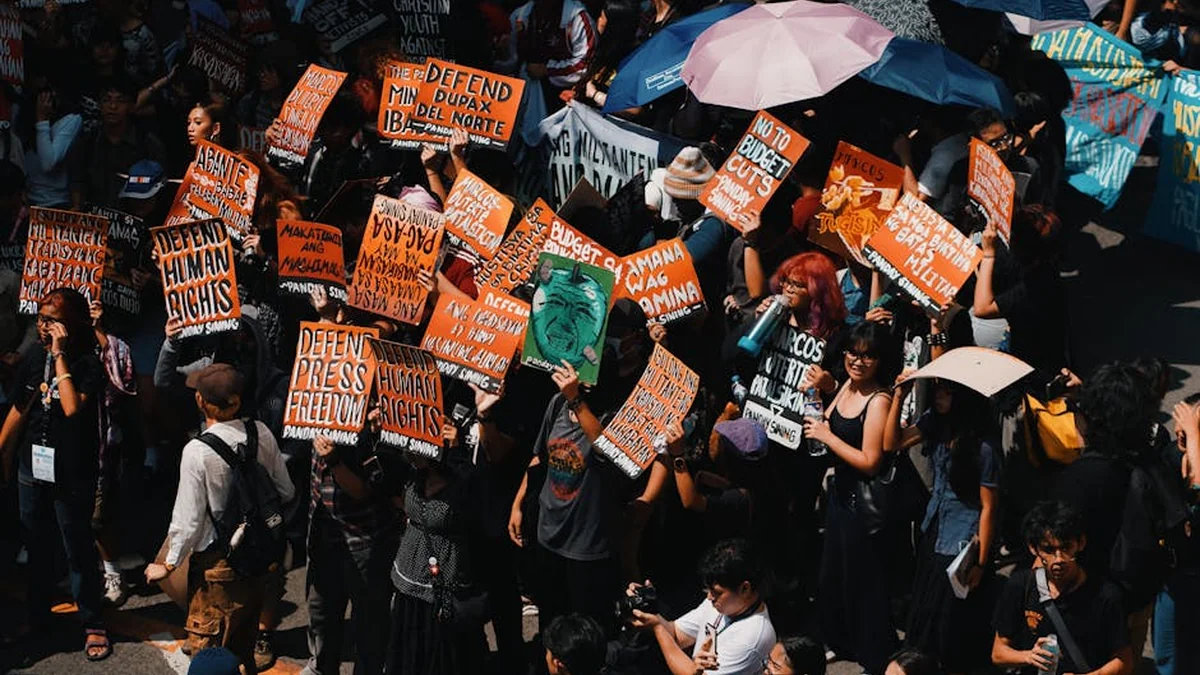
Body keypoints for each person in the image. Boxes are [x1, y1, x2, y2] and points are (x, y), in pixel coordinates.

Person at [144, 363, 294, 672]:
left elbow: (188, 521)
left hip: (217, 567)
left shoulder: (197, 451)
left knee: (209, 657)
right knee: (242, 652)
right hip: (258, 558)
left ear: (201, 401)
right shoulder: (260, 432)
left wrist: (168, 564)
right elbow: (286, 490)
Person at [0, 288, 111, 661]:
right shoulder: (35, 356)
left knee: (76, 546)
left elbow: (71, 408)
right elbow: (19, 409)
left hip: (71, 471)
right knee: (36, 544)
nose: (44, 327)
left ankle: (92, 623)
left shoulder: (88, 363)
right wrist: (3, 453)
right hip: (32, 467)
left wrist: (60, 356)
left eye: (53, 320)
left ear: (73, 324)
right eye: (41, 319)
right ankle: (37, 616)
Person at [886, 377, 1000, 674]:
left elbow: (988, 508)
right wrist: (899, 397)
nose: (938, 396)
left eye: (947, 392)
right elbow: (891, 442)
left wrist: (981, 563)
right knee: (924, 608)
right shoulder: (935, 423)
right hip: (933, 527)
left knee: (948, 618)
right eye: (938, 390)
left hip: (961, 539)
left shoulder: (983, 447)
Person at [803, 319, 898, 675]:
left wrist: (827, 437)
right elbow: (828, 420)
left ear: (880, 360)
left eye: (867, 356)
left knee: (864, 580)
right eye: (852, 353)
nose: (858, 362)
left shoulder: (878, 400)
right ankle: (841, 642)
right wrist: (817, 397)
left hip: (862, 502)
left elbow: (871, 462)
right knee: (835, 574)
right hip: (840, 496)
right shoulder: (847, 384)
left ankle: (874, 655)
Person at [386, 423, 488, 675]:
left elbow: (474, 490)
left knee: (440, 657)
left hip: (442, 587)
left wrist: (456, 450)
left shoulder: (461, 483)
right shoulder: (415, 474)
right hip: (408, 582)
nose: (412, 453)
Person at [991, 501, 1133, 675]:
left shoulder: (1106, 595)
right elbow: (998, 653)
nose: (1058, 559)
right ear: (1033, 549)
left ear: (1081, 543)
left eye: (1066, 548)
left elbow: (1124, 662)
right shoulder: (1020, 586)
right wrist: (1028, 656)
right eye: (1048, 550)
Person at [629, 538, 777, 675]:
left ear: (745, 589)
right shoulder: (721, 604)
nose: (709, 597)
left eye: (717, 592)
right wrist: (649, 609)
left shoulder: (752, 637)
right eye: (708, 590)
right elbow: (676, 635)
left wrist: (658, 628)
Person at [69, 76, 166, 208]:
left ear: (132, 106)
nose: (113, 106)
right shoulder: (87, 141)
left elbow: (159, 187)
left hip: (134, 216)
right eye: (106, 100)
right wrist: (77, 207)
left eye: (120, 101)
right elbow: (77, 181)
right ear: (99, 105)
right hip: (94, 215)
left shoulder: (148, 143)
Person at [23, 77, 83, 208]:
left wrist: (42, 120)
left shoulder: (71, 119)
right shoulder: (24, 114)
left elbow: (48, 163)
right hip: (28, 199)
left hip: (56, 201)